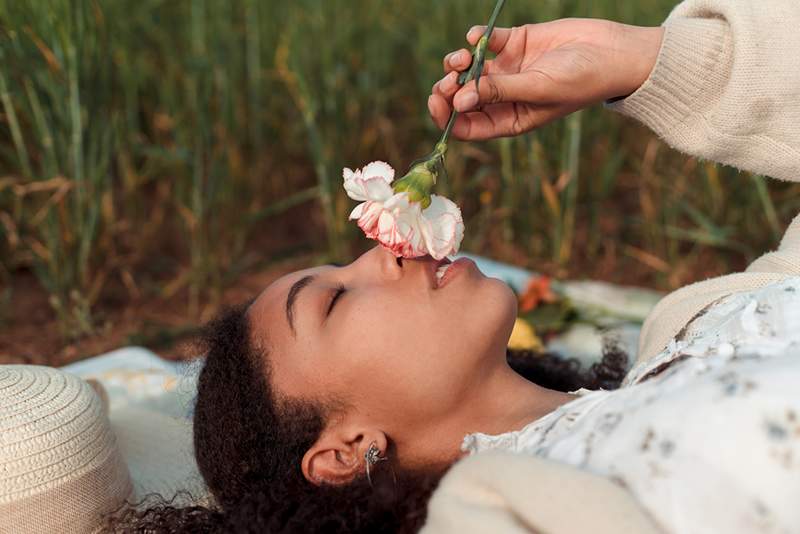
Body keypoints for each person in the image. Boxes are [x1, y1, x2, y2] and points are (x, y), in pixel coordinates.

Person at [116, 0, 800, 532]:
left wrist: (648, 61)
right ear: (345, 452)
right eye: (335, 301)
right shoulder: (497, 515)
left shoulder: (694, 324)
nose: (390, 248)